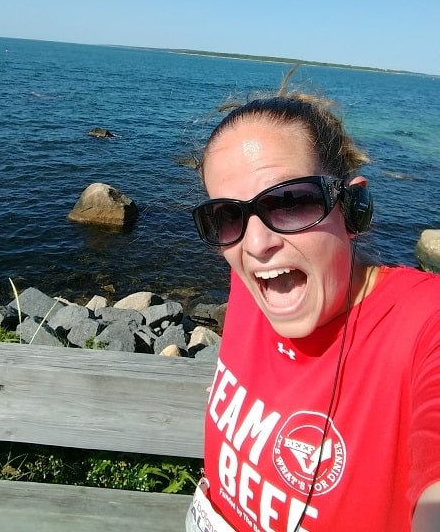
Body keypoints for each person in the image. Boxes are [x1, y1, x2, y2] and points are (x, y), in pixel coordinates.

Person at [187, 75, 440, 532]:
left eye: (290, 202)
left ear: (353, 206)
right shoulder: (249, 278)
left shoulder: (424, 325)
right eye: (226, 216)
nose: (257, 243)